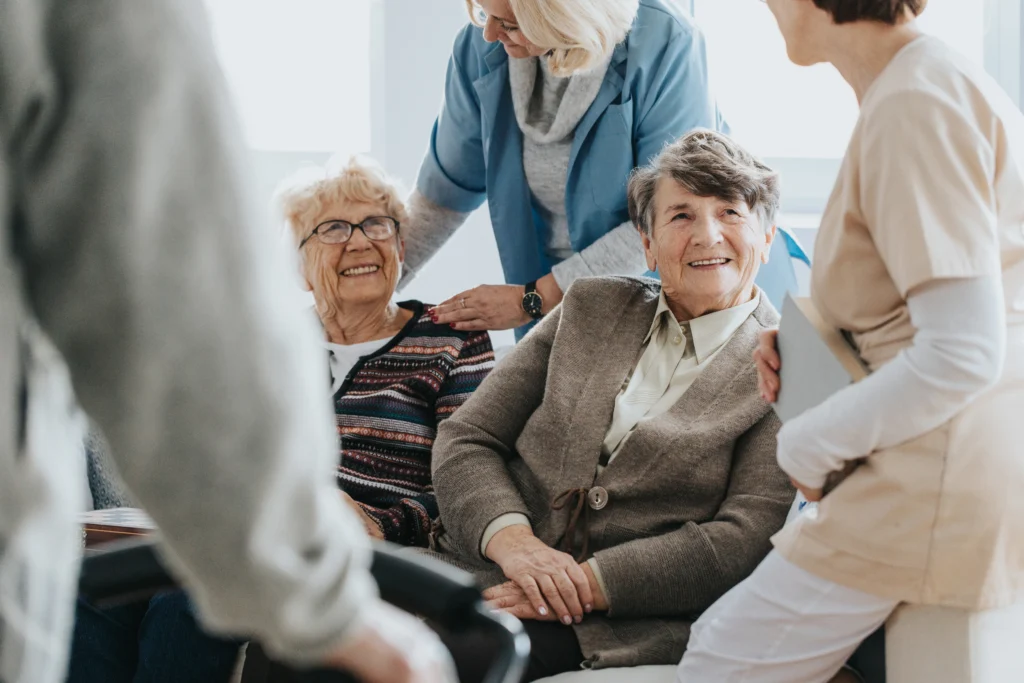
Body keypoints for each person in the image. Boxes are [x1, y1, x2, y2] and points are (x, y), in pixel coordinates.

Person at [0, 2, 453, 683]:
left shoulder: (448, 339)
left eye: (378, 224)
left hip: (327, 545)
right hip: (236, 540)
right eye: (333, 229)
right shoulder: (284, 345)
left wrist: (371, 529)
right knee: (96, 601)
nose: (360, 241)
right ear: (300, 261)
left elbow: (459, 478)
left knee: (185, 606)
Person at [677, 1, 1024, 681]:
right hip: (950, 468)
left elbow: (963, 352)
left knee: (718, 661)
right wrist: (816, 340)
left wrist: (807, 444)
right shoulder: (921, 86)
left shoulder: (915, 103)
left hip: (932, 479)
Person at [426, 130, 795, 682]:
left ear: (766, 239)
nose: (707, 234)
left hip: (608, 617)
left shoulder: (785, 363)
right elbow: (468, 438)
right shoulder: (589, 304)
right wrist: (516, 546)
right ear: (647, 245)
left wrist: (582, 584)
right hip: (484, 566)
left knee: (435, 662)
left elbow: (742, 538)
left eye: (729, 212)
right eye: (681, 216)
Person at [407, 0, 727, 337]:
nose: (489, 33)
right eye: (485, 13)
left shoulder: (668, 45)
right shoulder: (481, 48)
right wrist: (376, 271)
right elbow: (442, 196)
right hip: (546, 308)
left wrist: (531, 299)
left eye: (510, 24)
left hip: (656, 299)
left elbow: (674, 220)